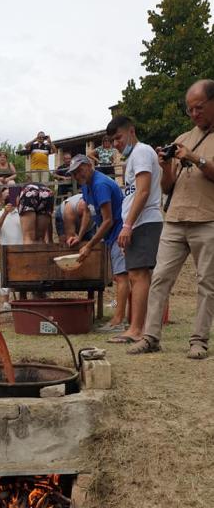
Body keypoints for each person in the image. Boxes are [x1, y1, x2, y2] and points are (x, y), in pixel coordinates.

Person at [128, 79, 214, 359]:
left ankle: (199, 341)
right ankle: (151, 337)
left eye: (199, 108)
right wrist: (165, 165)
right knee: (160, 278)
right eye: (190, 109)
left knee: (207, 283)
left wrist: (195, 158)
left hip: (207, 219)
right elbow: (167, 186)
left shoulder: (192, 145)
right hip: (175, 218)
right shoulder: (183, 138)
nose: (194, 114)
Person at [105, 115, 163, 343]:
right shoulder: (133, 158)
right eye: (112, 140)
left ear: (131, 131)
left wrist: (127, 225)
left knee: (138, 275)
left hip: (144, 221)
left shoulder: (140, 152)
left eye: (118, 137)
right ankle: (137, 327)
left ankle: (137, 329)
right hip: (138, 222)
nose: (116, 143)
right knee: (135, 274)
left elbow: (143, 191)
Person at [67, 155, 128, 332]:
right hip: (110, 235)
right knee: (119, 276)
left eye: (80, 170)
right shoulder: (86, 186)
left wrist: (90, 245)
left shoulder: (100, 184)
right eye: (74, 173)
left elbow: (108, 220)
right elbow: (87, 210)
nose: (78, 175)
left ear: (89, 165)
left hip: (119, 232)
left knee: (122, 276)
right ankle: (121, 318)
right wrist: (80, 236)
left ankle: (118, 321)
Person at [0, 187, 23, 310]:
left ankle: (21, 301)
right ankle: (6, 302)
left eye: (10, 197)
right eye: (6, 197)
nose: (8, 199)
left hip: (21, 250)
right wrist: (5, 213)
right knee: (3, 275)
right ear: (2, 200)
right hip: (6, 251)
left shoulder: (22, 213)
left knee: (22, 276)